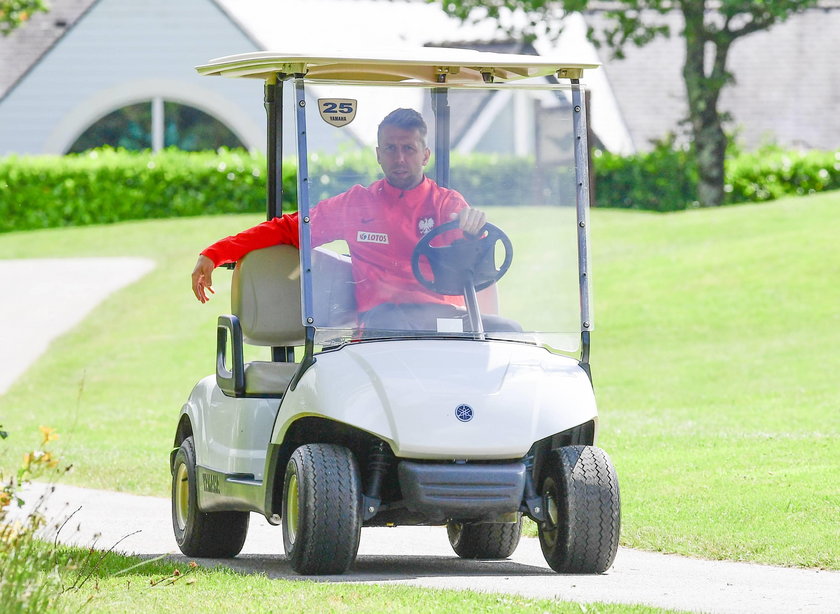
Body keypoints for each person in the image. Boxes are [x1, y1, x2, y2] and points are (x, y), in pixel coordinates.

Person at [191, 108, 518, 333]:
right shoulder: (356, 204)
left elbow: (474, 265)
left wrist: (475, 233)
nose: (399, 158)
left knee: (510, 332)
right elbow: (288, 229)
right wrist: (216, 253)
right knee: (402, 323)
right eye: (390, 148)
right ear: (378, 154)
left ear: (425, 154)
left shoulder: (447, 204)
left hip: (439, 324)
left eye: (408, 148)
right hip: (380, 326)